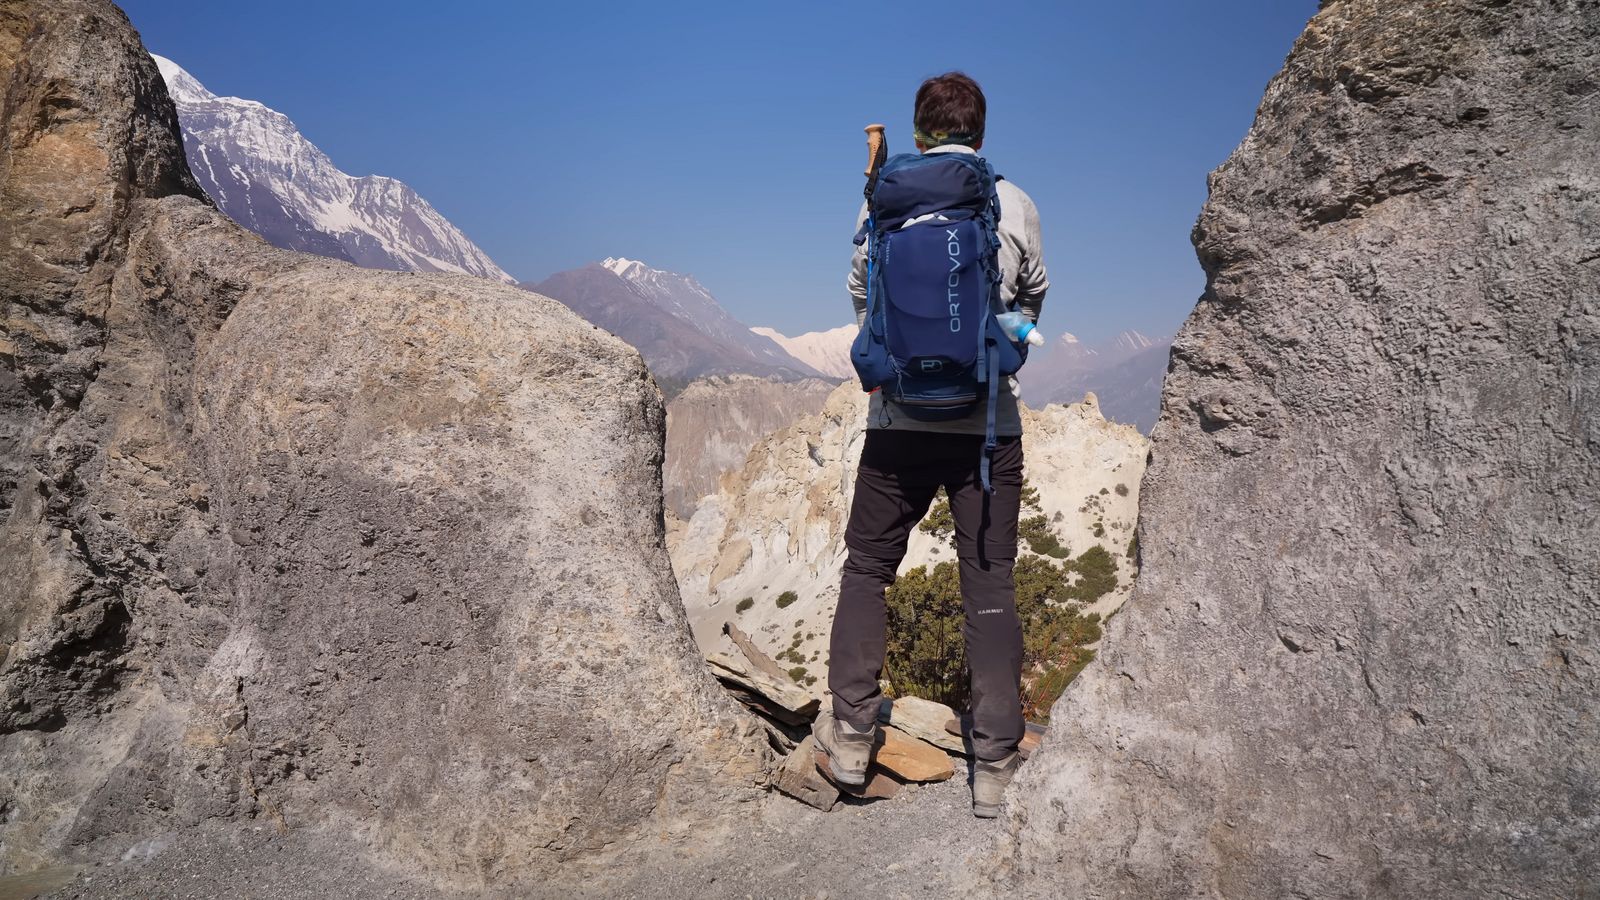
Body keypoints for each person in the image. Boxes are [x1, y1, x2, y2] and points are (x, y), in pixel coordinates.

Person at [812, 71, 1049, 818]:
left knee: (868, 570)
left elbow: (861, 290)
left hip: (897, 428)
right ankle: (995, 764)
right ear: (979, 134)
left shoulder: (883, 197)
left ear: (918, 136)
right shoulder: (1011, 202)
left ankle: (851, 736)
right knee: (989, 584)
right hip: (987, 427)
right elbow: (1034, 291)